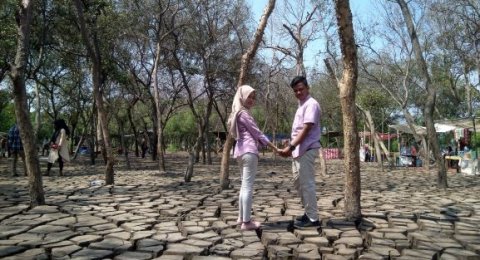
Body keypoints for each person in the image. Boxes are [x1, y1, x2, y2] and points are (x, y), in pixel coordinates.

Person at [228, 85, 279, 231]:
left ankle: (241, 218)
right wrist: (274, 148)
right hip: (249, 152)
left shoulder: (236, 113)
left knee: (244, 187)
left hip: (240, 152)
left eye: (253, 97)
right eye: (249, 96)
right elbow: (257, 133)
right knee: (247, 188)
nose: (251, 100)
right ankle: (246, 222)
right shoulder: (243, 114)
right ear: (242, 96)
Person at [278, 76, 322, 228]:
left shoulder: (311, 104)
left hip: (307, 148)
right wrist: (290, 143)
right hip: (298, 150)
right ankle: (308, 213)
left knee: (307, 183)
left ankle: (313, 219)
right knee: (299, 183)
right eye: (295, 90)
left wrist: (290, 147)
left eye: (301, 89)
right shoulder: (301, 105)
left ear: (307, 88)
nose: (298, 92)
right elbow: (298, 131)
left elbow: (306, 128)